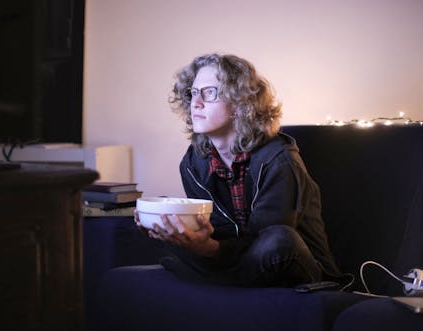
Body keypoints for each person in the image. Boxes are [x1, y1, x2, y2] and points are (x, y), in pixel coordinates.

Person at [134, 53, 340, 287]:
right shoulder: (193, 163)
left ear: (240, 103)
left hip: (297, 267)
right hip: (233, 259)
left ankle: (212, 279)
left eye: (209, 92)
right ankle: (221, 278)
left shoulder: (279, 160)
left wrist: (209, 250)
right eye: (193, 93)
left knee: (279, 240)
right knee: (165, 221)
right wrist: (183, 233)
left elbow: (263, 242)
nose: (196, 103)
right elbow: (216, 232)